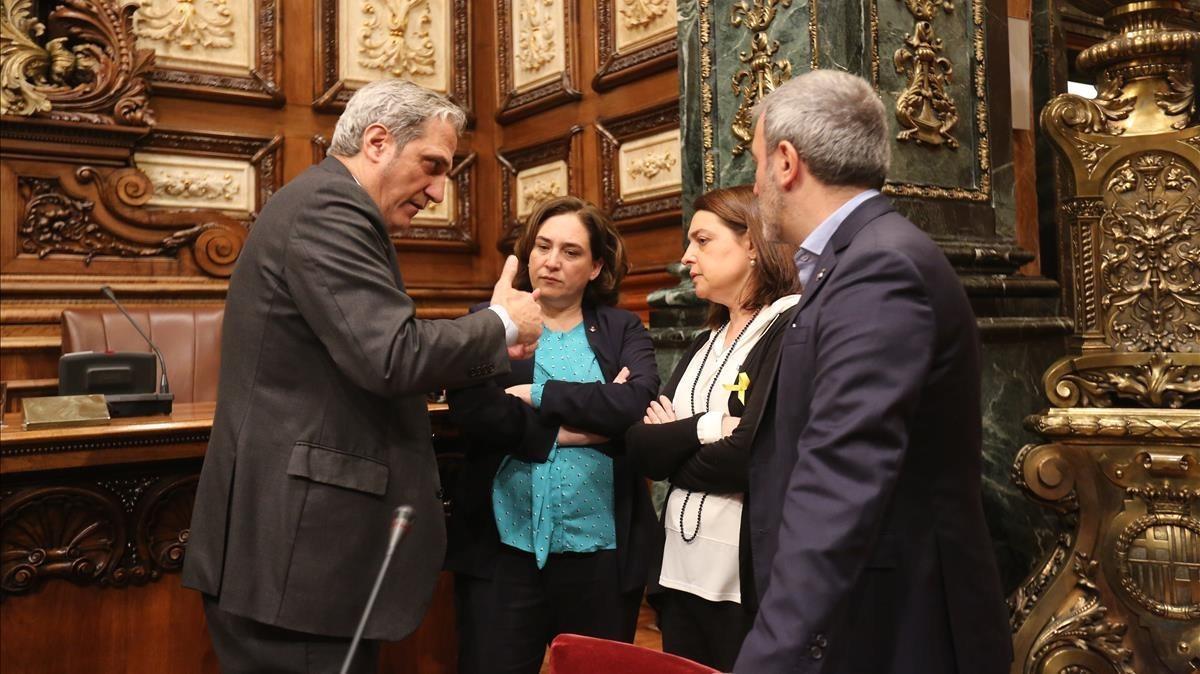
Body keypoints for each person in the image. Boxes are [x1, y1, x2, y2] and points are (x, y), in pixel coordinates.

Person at [181, 79, 542, 674]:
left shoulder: (326, 204)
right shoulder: (330, 208)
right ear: (377, 141)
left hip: (299, 558)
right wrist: (503, 322)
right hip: (297, 560)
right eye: (432, 165)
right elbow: (391, 355)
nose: (437, 190)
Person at [734, 69, 1011, 673]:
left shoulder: (878, 267)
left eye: (755, 163)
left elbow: (840, 472)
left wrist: (769, 658)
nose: (753, 185)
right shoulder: (856, 257)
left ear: (786, 162)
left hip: (900, 624)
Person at [446, 196, 661, 674]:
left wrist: (538, 393)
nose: (551, 261)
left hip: (599, 557)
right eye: (543, 246)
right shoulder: (491, 317)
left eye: (570, 251)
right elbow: (476, 410)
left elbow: (634, 402)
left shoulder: (619, 328)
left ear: (595, 266)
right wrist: (567, 435)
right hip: (502, 552)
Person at [624, 185, 800, 671]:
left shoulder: (787, 328)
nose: (686, 257)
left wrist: (674, 441)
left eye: (702, 240)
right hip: (679, 572)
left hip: (743, 578)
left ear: (752, 244)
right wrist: (705, 427)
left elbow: (749, 455)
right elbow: (640, 448)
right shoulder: (705, 340)